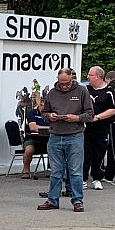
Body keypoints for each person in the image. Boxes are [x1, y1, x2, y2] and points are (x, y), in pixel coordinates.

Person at [38, 67, 93, 213]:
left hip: (75, 135)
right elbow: (44, 113)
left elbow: (90, 114)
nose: (64, 86)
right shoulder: (51, 93)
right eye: (61, 83)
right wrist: (50, 116)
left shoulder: (82, 91)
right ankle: (52, 200)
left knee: (75, 171)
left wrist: (77, 118)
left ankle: (77, 201)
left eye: (67, 83)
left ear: (72, 78)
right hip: (55, 135)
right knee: (56, 171)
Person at [83, 66, 115, 190]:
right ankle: (83, 178)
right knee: (84, 153)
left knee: (98, 154)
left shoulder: (109, 91)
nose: (88, 77)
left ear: (98, 76)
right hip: (85, 128)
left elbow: (113, 110)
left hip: (101, 128)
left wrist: (98, 117)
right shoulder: (86, 90)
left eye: (90, 75)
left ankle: (97, 178)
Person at [21, 98, 49, 178]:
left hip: (48, 139)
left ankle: (51, 170)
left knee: (56, 147)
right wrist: (48, 128)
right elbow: (33, 127)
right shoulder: (33, 113)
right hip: (33, 138)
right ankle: (26, 171)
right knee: (29, 149)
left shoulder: (50, 114)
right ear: (41, 105)